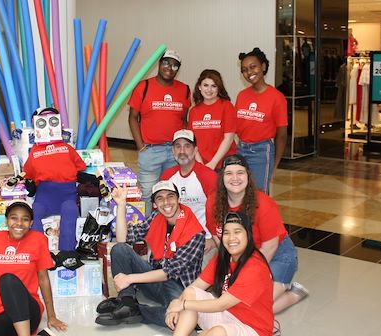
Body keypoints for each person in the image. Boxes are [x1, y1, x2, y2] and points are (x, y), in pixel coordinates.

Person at [206, 154, 308, 317]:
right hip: (241, 255)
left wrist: (243, 275)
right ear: (222, 178)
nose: (235, 178)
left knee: (253, 309)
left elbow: (270, 246)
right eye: (229, 173)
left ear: (248, 175)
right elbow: (220, 239)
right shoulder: (213, 202)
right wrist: (229, 271)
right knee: (232, 305)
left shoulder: (264, 204)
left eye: (240, 172)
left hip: (277, 255)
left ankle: (294, 294)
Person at [95, 180, 205, 328]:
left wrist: (129, 278)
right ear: (154, 204)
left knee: (179, 319)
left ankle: (136, 310)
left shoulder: (195, 232)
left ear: (179, 199)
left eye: (170, 196)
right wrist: (121, 205)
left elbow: (169, 272)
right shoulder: (156, 218)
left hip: (179, 287)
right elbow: (123, 239)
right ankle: (127, 301)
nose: (166, 202)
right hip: (154, 278)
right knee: (119, 249)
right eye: (160, 198)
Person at [165, 211, 274, 336]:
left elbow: (221, 304)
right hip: (229, 315)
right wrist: (174, 308)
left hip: (255, 330)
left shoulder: (255, 267)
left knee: (217, 332)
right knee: (190, 293)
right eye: (226, 233)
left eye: (237, 232)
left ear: (248, 235)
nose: (231, 238)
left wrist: (181, 305)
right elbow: (196, 286)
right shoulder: (223, 257)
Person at [0, 200, 67, 336]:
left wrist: (52, 316)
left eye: (25, 219)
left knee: (7, 280)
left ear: (31, 223)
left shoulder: (38, 239)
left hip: (27, 309)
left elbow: (43, 279)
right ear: (6, 220)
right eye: (14, 218)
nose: (19, 223)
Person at [128, 50, 190, 214]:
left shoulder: (184, 90)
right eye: (166, 63)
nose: (170, 67)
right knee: (148, 194)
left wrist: (183, 147)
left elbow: (184, 119)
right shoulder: (144, 86)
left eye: (175, 65)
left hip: (175, 152)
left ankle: (170, 230)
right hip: (150, 151)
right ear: (159, 64)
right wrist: (140, 146)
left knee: (172, 194)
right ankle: (147, 231)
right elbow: (133, 118)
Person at [22, 107, 87, 251]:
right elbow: (81, 166)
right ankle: (58, 253)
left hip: (51, 196)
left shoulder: (36, 152)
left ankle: (45, 252)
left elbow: (28, 173)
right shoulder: (66, 148)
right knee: (66, 211)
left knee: (38, 213)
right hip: (55, 196)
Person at [234, 48, 288, 193]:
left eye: (253, 67)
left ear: (263, 66)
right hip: (241, 148)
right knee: (240, 193)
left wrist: (274, 164)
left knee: (259, 196)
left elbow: (282, 135)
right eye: (245, 70)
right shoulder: (242, 95)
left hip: (262, 151)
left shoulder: (277, 97)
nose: (249, 72)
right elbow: (236, 125)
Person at [161, 129, 218, 253]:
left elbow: (220, 211)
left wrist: (213, 240)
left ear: (195, 150)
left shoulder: (209, 177)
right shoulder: (167, 176)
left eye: (187, 146)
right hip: (174, 240)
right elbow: (161, 213)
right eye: (178, 146)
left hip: (202, 241)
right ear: (173, 150)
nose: (182, 151)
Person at [188, 69, 237, 170]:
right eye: (205, 85)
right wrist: (200, 163)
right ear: (199, 87)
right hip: (201, 164)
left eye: (213, 86)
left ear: (219, 88)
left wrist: (213, 163)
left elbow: (228, 139)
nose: (209, 90)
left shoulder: (227, 106)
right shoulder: (194, 111)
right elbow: (192, 141)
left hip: (224, 165)